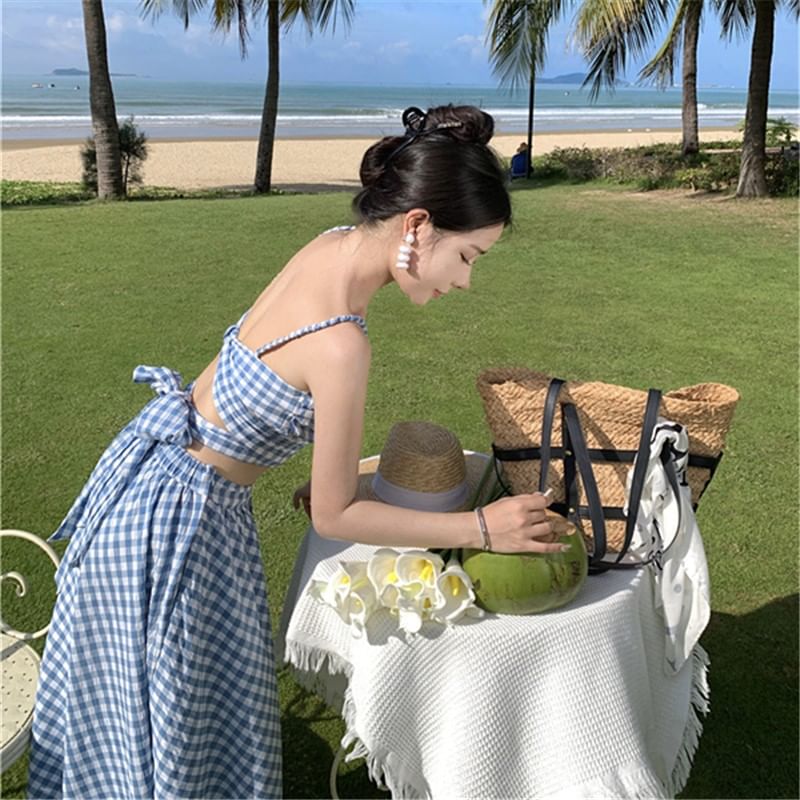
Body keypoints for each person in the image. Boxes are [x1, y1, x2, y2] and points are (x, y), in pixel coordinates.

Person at [28, 104, 565, 800]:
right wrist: (482, 527)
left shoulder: (330, 245)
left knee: (134, 709)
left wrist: (321, 471)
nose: (463, 281)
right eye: (468, 257)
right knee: (176, 720)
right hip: (178, 528)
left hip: (155, 482)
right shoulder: (343, 344)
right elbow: (336, 516)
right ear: (417, 225)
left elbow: (259, 384)